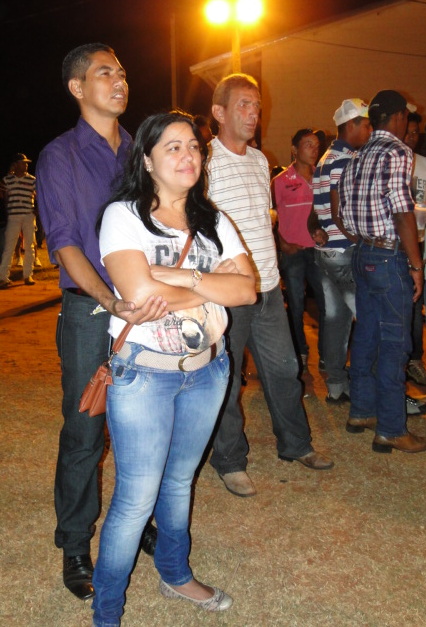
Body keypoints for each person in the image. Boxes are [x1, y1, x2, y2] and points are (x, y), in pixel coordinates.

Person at [92, 111, 256, 625]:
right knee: (135, 499)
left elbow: (248, 291)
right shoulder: (123, 216)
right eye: (173, 147)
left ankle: (174, 572)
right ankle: (107, 612)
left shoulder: (215, 220)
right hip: (144, 373)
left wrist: (180, 277)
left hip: (208, 370)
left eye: (194, 147)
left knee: (180, 481)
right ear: (147, 160)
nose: (189, 156)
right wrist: (211, 282)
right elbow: (139, 293)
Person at [36, 43, 165, 602]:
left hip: (148, 306)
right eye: (104, 73)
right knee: (86, 429)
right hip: (93, 312)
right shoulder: (59, 156)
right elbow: (65, 242)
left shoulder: (141, 151)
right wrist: (110, 302)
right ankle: (74, 542)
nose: (119, 81)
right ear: (77, 87)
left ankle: (137, 521)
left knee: (144, 426)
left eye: (122, 72)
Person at [207, 73, 334, 499]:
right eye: (243, 105)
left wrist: (273, 276)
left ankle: (296, 444)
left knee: (284, 370)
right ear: (219, 112)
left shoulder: (262, 161)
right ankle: (230, 460)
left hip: (266, 288)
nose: (254, 114)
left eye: (257, 106)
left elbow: (262, 222)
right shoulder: (204, 162)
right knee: (227, 379)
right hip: (229, 292)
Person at [338, 89, 426, 454]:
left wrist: (364, 238)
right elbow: (401, 209)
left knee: (366, 335)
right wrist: (416, 264)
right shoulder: (397, 151)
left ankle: (362, 411)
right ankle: (391, 428)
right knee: (394, 343)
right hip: (389, 258)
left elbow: (342, 210)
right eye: (406, 117)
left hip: (363, 252)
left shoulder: (357, 156)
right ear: (398, 117)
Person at [309, 99, 371, 404]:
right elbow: (338, 209)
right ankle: (370, 387)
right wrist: (357, 238)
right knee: (370, 319)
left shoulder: (325, 159)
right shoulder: (345, 159)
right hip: (344, 251)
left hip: (326, 253)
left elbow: (319, 209)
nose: (370, 131)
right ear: (351, 125)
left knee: (335, 320)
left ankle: (336, 386)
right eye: (366, 125)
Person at [272, 128, 325, 371]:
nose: (314, 150)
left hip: (318, 251)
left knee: (326, 304)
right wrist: (283, 244)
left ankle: (326, 353)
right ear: (294, 149)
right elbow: (269, 217)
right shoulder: (280, 181)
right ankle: (300, 350)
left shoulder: (322, 178)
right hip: (293, 252)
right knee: (295, 304)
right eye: (308, 145)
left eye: (316, 145)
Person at [404, 112, 426, 386]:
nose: (412, 137)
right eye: (408, 131)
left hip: (421, 243)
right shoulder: (391, 163)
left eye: (415, 133)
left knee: (415, 303)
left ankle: (415, 359)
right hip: (394, 245)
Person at [0, 153, 37, 287]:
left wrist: (35, 210)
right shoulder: (7, 180)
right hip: (13, 216)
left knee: (29, 246)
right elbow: (3, 196)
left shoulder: (32, 180)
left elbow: (38, 196)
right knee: (9, 247)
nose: (26, 165)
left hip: (28, 216)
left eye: (26, 163)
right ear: (15, 165)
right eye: (23, 162)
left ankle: (28, 275)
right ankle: (3, 277)